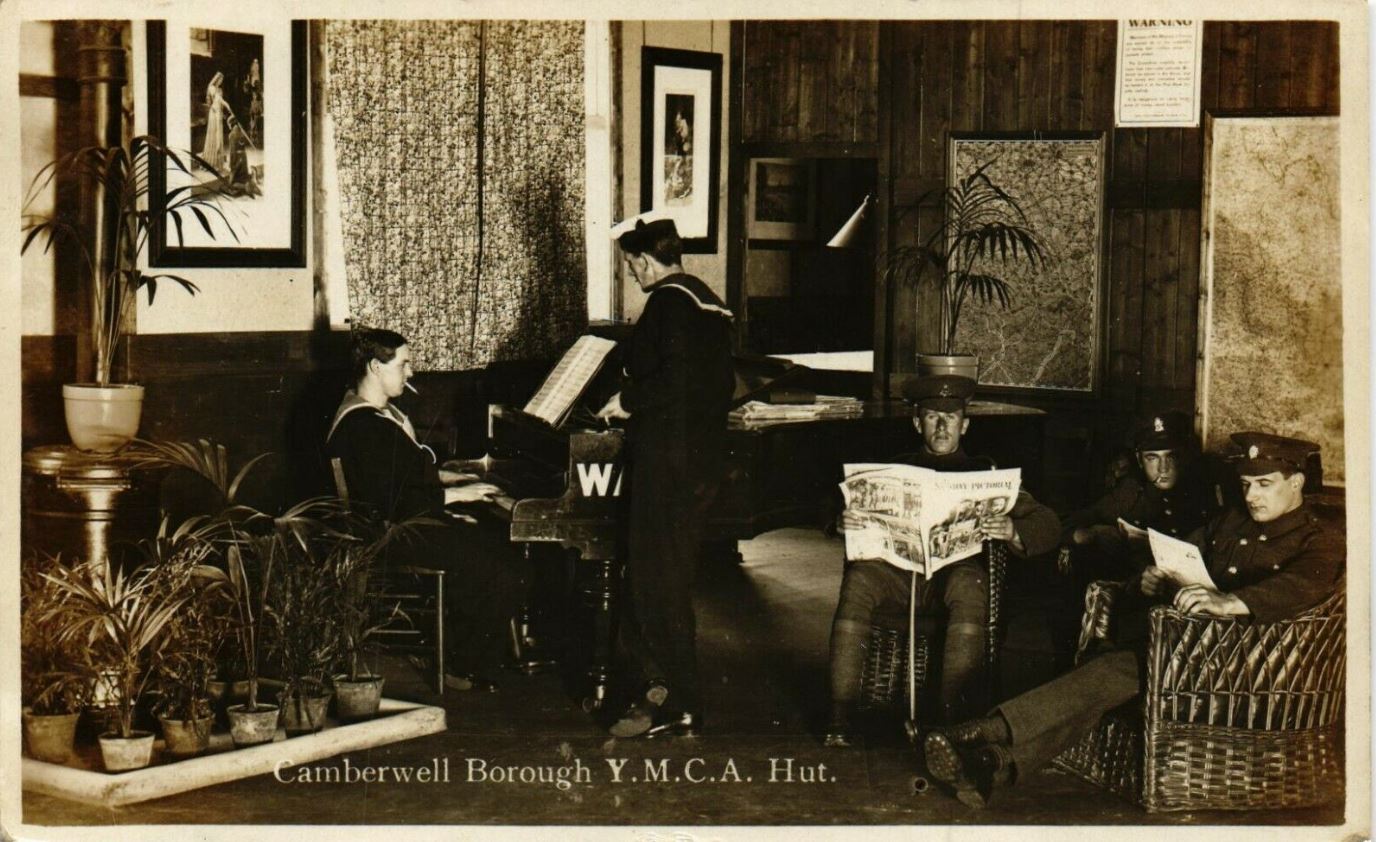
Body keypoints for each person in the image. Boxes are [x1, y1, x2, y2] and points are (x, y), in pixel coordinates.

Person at [924, 431, 1344, 807]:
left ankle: (980, 732)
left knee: (1116, 668)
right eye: (1247, 484)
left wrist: (1232, 601)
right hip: (1187, 650)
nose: (1252, 495)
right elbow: (1181, 555)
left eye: (1265, 485)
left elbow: (1304, 587)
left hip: (1251, 671)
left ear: (1297, 483)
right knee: (1109, 673)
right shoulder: (1230, 522)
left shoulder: (1319, 539)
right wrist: (1147, 578)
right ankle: (992, 762)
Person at [824, 375, 1061, 746]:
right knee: (859, 581)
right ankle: (840, 717)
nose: (941, 426)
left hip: (954, 576)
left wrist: (1012, 529)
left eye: (950, 418)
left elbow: (1048, 523)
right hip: (898, 576)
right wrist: (840, 521)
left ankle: (952, 724)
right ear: (917, 422)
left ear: (965, 425)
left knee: (968, 585)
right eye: (932, 417)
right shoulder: (892, 471)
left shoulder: (986, 476)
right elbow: (837, 506)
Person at [327, 328, 530, 691]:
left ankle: (471, 648)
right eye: (404, 364)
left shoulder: (370, 414)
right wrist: (457, 496)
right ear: (376, 366)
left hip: (400, 522)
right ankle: (461, 663)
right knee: (499, 564)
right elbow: (393, 500)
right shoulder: (366, 425)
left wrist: (447, 477)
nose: (411, 373)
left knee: (491, 547)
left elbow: (397, 476)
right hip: (389, 534)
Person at [596, 213, 735, 738]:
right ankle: (665, 698)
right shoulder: (709, 302)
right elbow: (710, 383)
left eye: (632, 265)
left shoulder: (667, 303)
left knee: (656, 584)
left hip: (666, 465)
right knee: (666, 580)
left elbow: (673, 381)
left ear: (646, 260)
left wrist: (626, 402)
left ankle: (674, 701)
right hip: (699, 462)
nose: (633, 275)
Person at [1059, 410, 1217, 581]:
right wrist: (1088, 534)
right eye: (1152, 458)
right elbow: (1073, 522)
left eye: (1171, 456)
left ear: (1184, 456)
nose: (1163, 468)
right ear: (1139, 460)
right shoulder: (1131, 492)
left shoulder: (1205, 490)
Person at [200, 71, 228, 174]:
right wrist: (216, 110)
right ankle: (212, 161)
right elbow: (213, 102)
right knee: (213, 136)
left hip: (219, 114)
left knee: (219, 138)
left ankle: (218, 162)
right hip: (214, 113)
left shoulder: (220, 90)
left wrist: (222, 113)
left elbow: (220, 104)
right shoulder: (212, 88)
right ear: (217, 79)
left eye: (222, 80)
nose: (221, 82)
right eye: (220, 79)